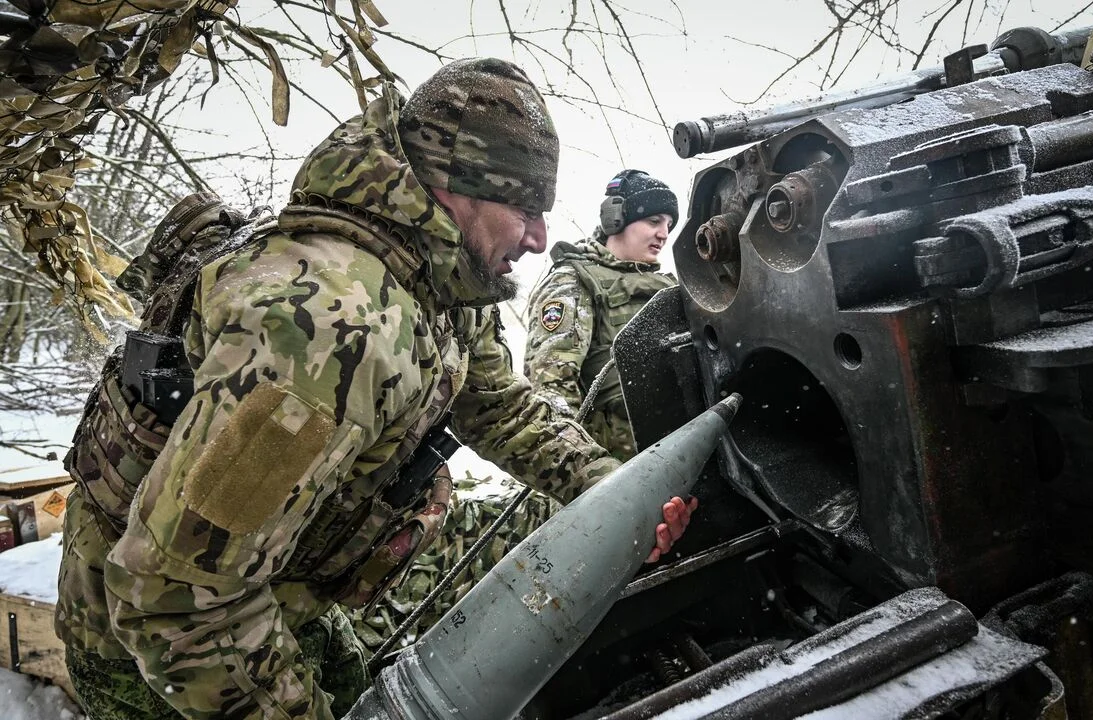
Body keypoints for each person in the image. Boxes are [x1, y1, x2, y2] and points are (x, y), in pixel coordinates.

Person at [54, 58, 696, 720]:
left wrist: (615, 492)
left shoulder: (442, 283)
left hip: (282, 592)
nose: (538, 238)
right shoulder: (328, 332)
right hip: (160, 656)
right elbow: (177, 597)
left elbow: (500, 408)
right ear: (454, 191)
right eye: (524, 208)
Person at [524, 169, 679, 460]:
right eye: (654, 221)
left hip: (682, 452)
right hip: (617, 470)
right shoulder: (575, 281)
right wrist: (591, 470)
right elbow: (550, 392)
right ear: (616, 219)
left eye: (669, 224)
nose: (664, 234)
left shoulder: (670, 287)